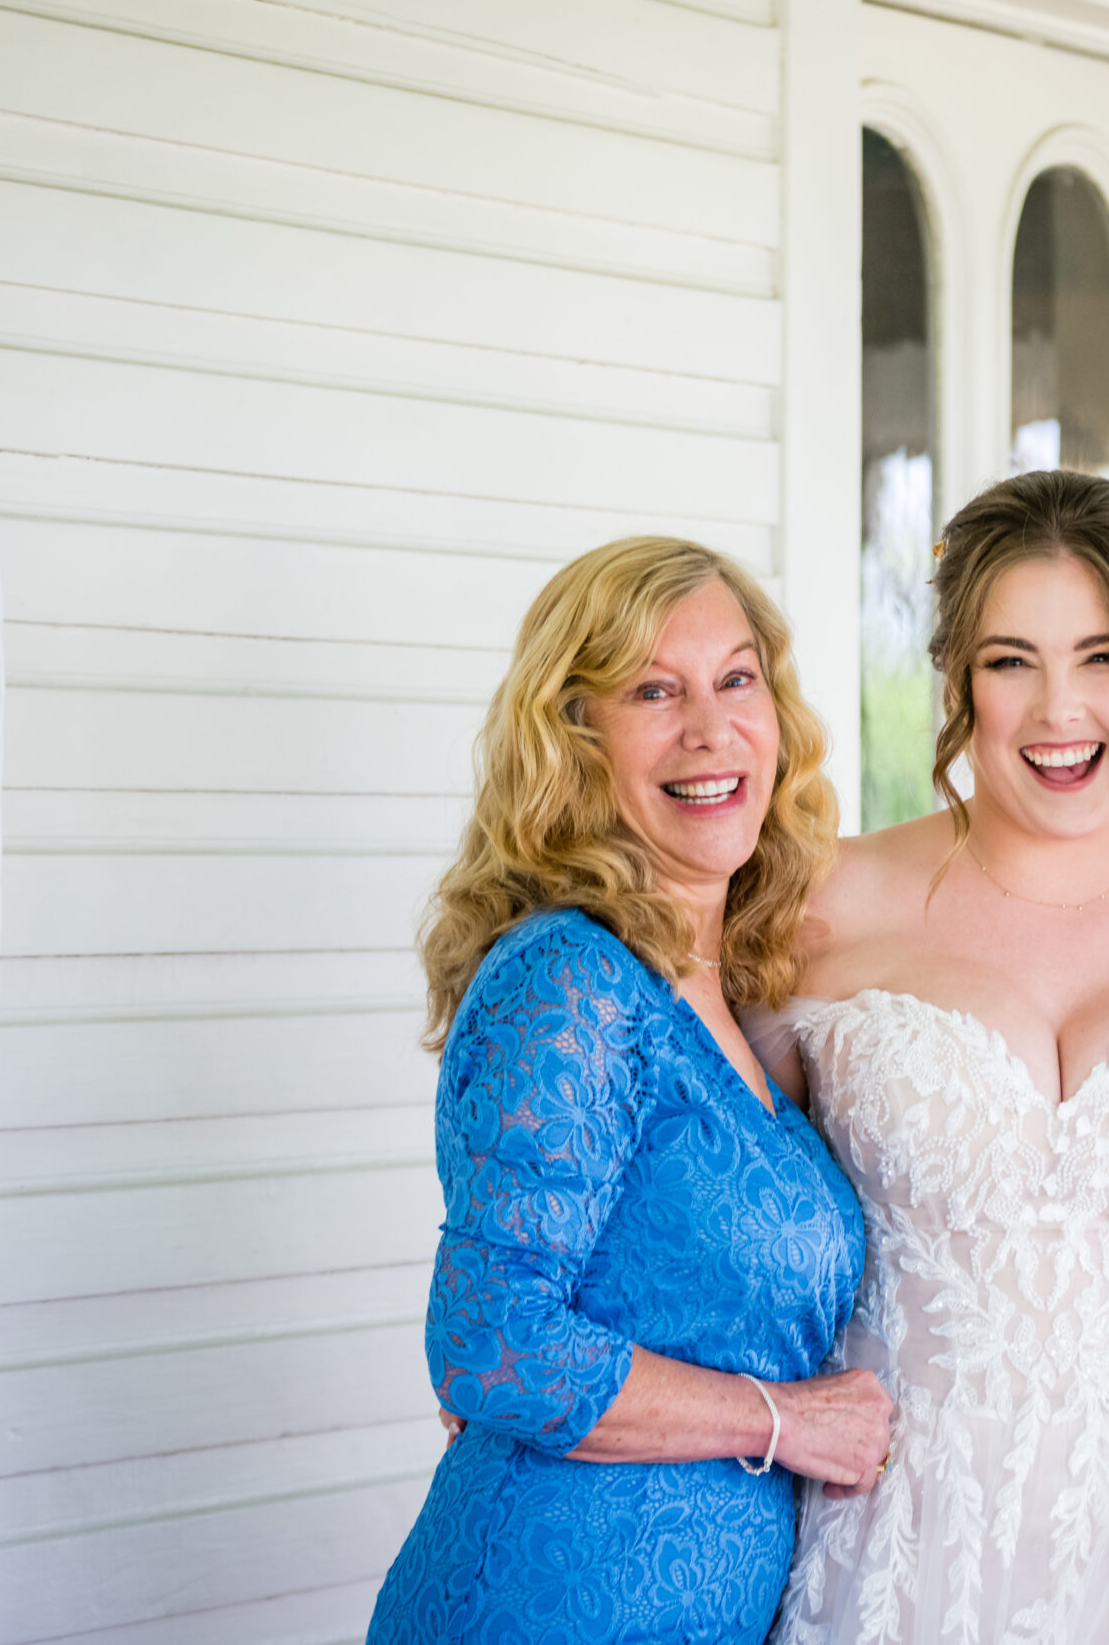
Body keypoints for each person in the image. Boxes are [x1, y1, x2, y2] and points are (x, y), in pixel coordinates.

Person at [752, 471, 1109, 1645]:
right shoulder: (821, 902)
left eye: (1101, 657)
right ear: (956, 676)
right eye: (1010, 661)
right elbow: (738, 1221)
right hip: (893, 1538)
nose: (1059, 710)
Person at [367, 538, 892, 1645]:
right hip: (544, 1605)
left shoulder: (718, 992)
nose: (709, 728)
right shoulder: (571, 975)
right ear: (576, 738)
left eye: (735, 679)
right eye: (654, 691)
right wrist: (782, 1420)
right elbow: (488, 1339)